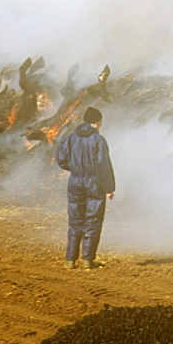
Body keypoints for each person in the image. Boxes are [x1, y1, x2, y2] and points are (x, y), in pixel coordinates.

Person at [55, 106, 115, 269]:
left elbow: (61, 159)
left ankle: (70, 260)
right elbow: (103, 165)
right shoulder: (98, 140)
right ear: (96, 122)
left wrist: (75, 169)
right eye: (100, 121)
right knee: (93, 220)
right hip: (94, 183)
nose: (101, 124)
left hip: (75, 181)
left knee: (75, 220)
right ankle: (88, 260)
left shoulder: (70, 138)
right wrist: (109, 188)